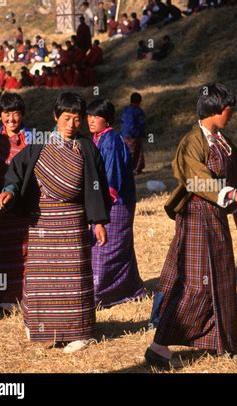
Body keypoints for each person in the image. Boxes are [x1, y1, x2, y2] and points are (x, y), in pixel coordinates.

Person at [145, 83, 237, 367]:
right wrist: (233, 195)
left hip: (216, 218)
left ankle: (220, 342)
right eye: (228, 110)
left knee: (220, 280)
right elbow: (197, 181)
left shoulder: (221, 141)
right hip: (196, 217)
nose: (231, 115)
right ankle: (158, 346)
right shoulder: (191, 142)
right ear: (215, 110)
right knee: (196, 284)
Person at [0, 92, 111, 352]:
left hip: (72, 222)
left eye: (77, 119)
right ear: (55, 117)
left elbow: (97, 185)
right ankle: (42, 328)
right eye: (67, 118)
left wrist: (99, 221)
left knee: (73, 279)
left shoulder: (87, 148)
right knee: (42, 279)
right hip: (42, 223)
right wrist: (10, 190)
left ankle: (80, 333)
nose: (71, 125)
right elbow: (17, 170)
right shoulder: (39, 145)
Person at [87, 99, 146, 308]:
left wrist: (99, 209)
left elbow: (110, 178)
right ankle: (130, 289)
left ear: (107, 120)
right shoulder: (99, 139)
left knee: (106, 249)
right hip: (107, 203)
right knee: (118, 248)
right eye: (89, 116)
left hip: (115, 203)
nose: (91, 120)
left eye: (97, 117)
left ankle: (100, 294)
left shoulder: (111, 140)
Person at [0, 93, 33, 311]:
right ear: (0, 115)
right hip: (0, 206)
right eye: (6, 113)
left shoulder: (31, 138)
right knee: (4, 250)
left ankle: (25, 298)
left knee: (26, 252)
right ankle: (4, 299)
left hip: (25, 206)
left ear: (22, 115)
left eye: (16, 113)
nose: (11, 118)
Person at [121, 92, 147, 175]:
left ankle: (128, 169)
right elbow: (136, 124)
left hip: (125, 135)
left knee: (128, 153)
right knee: (136, 153)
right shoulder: (137, 111)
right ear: (139, 101)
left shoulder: (126, 110)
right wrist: (138, 134)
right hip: (133, 136)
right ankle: (135, 169)